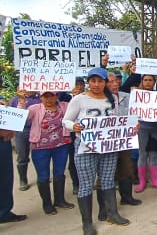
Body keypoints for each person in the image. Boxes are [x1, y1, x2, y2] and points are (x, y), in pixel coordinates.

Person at [63, 68, 130, 235]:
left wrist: (130, 127)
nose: (96, 84)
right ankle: (87, 223)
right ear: (89, 82)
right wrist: (74, 126)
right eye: (93, 81)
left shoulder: (111, 98)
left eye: (100, 81)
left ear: (105, 82)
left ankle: (112, 213)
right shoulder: (79, 99)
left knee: (108, 181)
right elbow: (66, 120)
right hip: (86, 147)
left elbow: (116, 121)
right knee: (86, 185)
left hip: (108, 147)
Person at [17, 90, 74, 215]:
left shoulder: (64, 106)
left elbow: (76, 108)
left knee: (59, 173)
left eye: (51, 95)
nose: (48, 99)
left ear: (57, 96)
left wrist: (75, 94)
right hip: (40, 147)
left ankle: (59, 200)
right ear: (41, 97)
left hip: (61, 144)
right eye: (45, 96)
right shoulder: (35, 108)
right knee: (43, 175)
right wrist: (21, 102)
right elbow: (20, 117)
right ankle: (47, 204)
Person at [105, 73, 142, 208]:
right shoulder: (100, 100)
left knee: (126, 169)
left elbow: (135, 112)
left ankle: (126, 197)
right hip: (107, 143)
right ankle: (107, 206)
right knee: (106, 173)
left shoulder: (127, 96)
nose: (115, 84)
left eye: (116, 81)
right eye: (110, 82)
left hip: (125, 140)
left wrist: (136, 123)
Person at [135, 74, 157, 193]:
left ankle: (155, 180)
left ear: (154, 82)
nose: (148, 82)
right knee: (142, 153)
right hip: (142, 128)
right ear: (142, 81)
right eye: (145, 80)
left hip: (156, 127)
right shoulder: (137, 95)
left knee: (153, 154)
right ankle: (142, 181)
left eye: (150, 80)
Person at [0, 94, 28, 224]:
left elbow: (11, 117)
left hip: (3, 142)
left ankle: (4, 213)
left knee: (5, 178)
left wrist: (11, 128)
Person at [9, 90, 41, 191]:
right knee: (22, 155)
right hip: (21, 131)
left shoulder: (41, 98)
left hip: (39, 130)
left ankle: (42, 177)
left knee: (41, 155)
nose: (30, 89)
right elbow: (11, 116)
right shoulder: (15, 100)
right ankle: (23, 180)